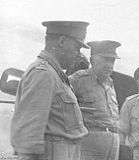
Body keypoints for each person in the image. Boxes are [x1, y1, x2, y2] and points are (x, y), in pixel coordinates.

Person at [10, 21, 89, 160]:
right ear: (62, 41)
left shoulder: (54, 74)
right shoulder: (43, 74)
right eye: (77, 47)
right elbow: (28, 134)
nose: (78, 54)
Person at [69, 40, 121, 160]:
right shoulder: (78, 79)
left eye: (112, 60)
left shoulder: (110, 83)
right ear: (92, 60)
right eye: (105, 59)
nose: (109, 65)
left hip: (112, 142)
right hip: (89, 142)